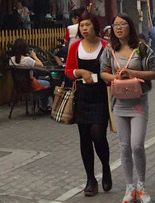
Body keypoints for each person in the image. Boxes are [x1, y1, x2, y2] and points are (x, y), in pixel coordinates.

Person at [101, 14, 155, 203]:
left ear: (130, 26)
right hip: (119, 103)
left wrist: (131, 72)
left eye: (122, 24)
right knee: (125, 146)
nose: (118, 28)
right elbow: (103, 73)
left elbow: (154, 74)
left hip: (139, 103)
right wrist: (115, 78)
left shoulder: (142, 49)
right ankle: (130, 187)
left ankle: (141, 184)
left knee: (137, 145)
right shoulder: (109, 50)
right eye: (115, 25)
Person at [64, 12, 110, 198]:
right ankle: (91, 179)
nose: (84, 29)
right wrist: (80, 71)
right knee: (84, 138)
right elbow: (67, 70)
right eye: (81, 25)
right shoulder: (75, 46)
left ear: (95, 27)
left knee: (98, 134)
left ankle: (106, 167)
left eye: (87, 25)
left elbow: (112, 67)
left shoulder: (106, 46)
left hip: (100, 95)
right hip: (82, 95)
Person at [8, 38, 51, 112]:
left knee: (41, 81)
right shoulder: (27, 60)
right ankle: (45, 106)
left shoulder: (11, 60)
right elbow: (41, 65)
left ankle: (41, 105)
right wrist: (34, 56)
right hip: (30, 84)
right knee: (48, 83)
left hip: (18, 85)